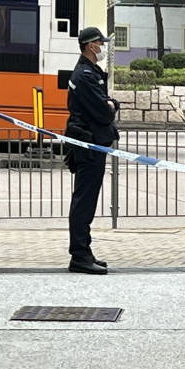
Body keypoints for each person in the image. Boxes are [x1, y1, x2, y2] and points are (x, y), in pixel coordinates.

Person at [65, 26, 119, 275]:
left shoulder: (89, 72)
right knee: (84, 202)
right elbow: (104, 113)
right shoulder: (85, 75)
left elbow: (106, 105)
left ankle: (84, 251)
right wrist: (110, 106)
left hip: (91, 143)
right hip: (87, 144)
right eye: (101, 43)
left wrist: (110, 104)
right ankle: (80, 255)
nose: (103, 47)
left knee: (86, 200)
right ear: (91, 46)